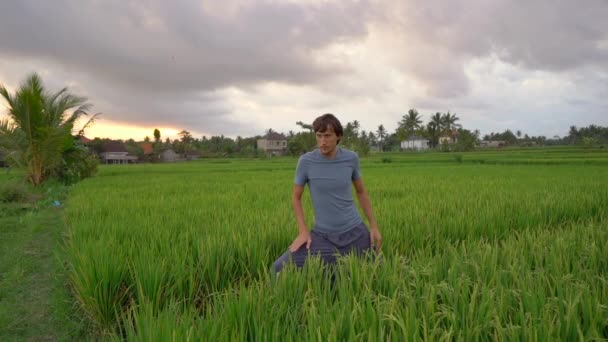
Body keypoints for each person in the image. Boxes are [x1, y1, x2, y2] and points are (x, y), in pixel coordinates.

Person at [272, 113, 382, 275]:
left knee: (374, 274)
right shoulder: (306, 161)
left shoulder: (351, 158)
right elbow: (296, 197)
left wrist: (373, 226)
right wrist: (303, 231)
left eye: (328, 136)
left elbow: (361, 191)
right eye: (319, 136)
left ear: (339, 137)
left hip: (355, 233)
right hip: (323, 236)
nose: (323, 141)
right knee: (279, 268)